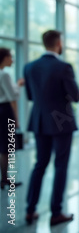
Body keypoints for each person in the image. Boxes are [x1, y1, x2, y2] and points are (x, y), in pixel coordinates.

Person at [25, 30, 79, 226]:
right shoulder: (63, 67)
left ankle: (30, 209)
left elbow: (31, 96)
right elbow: (76, 96)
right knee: (60, 165)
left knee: (39, 164)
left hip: (39, 120)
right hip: (61, 122)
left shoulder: (29, 67)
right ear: (58, 43)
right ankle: (56, 212)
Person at [0, 48, 24, 190]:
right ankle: (5, 178)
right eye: (11, 57)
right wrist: (19, 85)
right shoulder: (4, 75)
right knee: (6, 147)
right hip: (5, 111)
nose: (12, 60)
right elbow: (13, 96)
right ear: (4, 57)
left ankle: (4, 177)